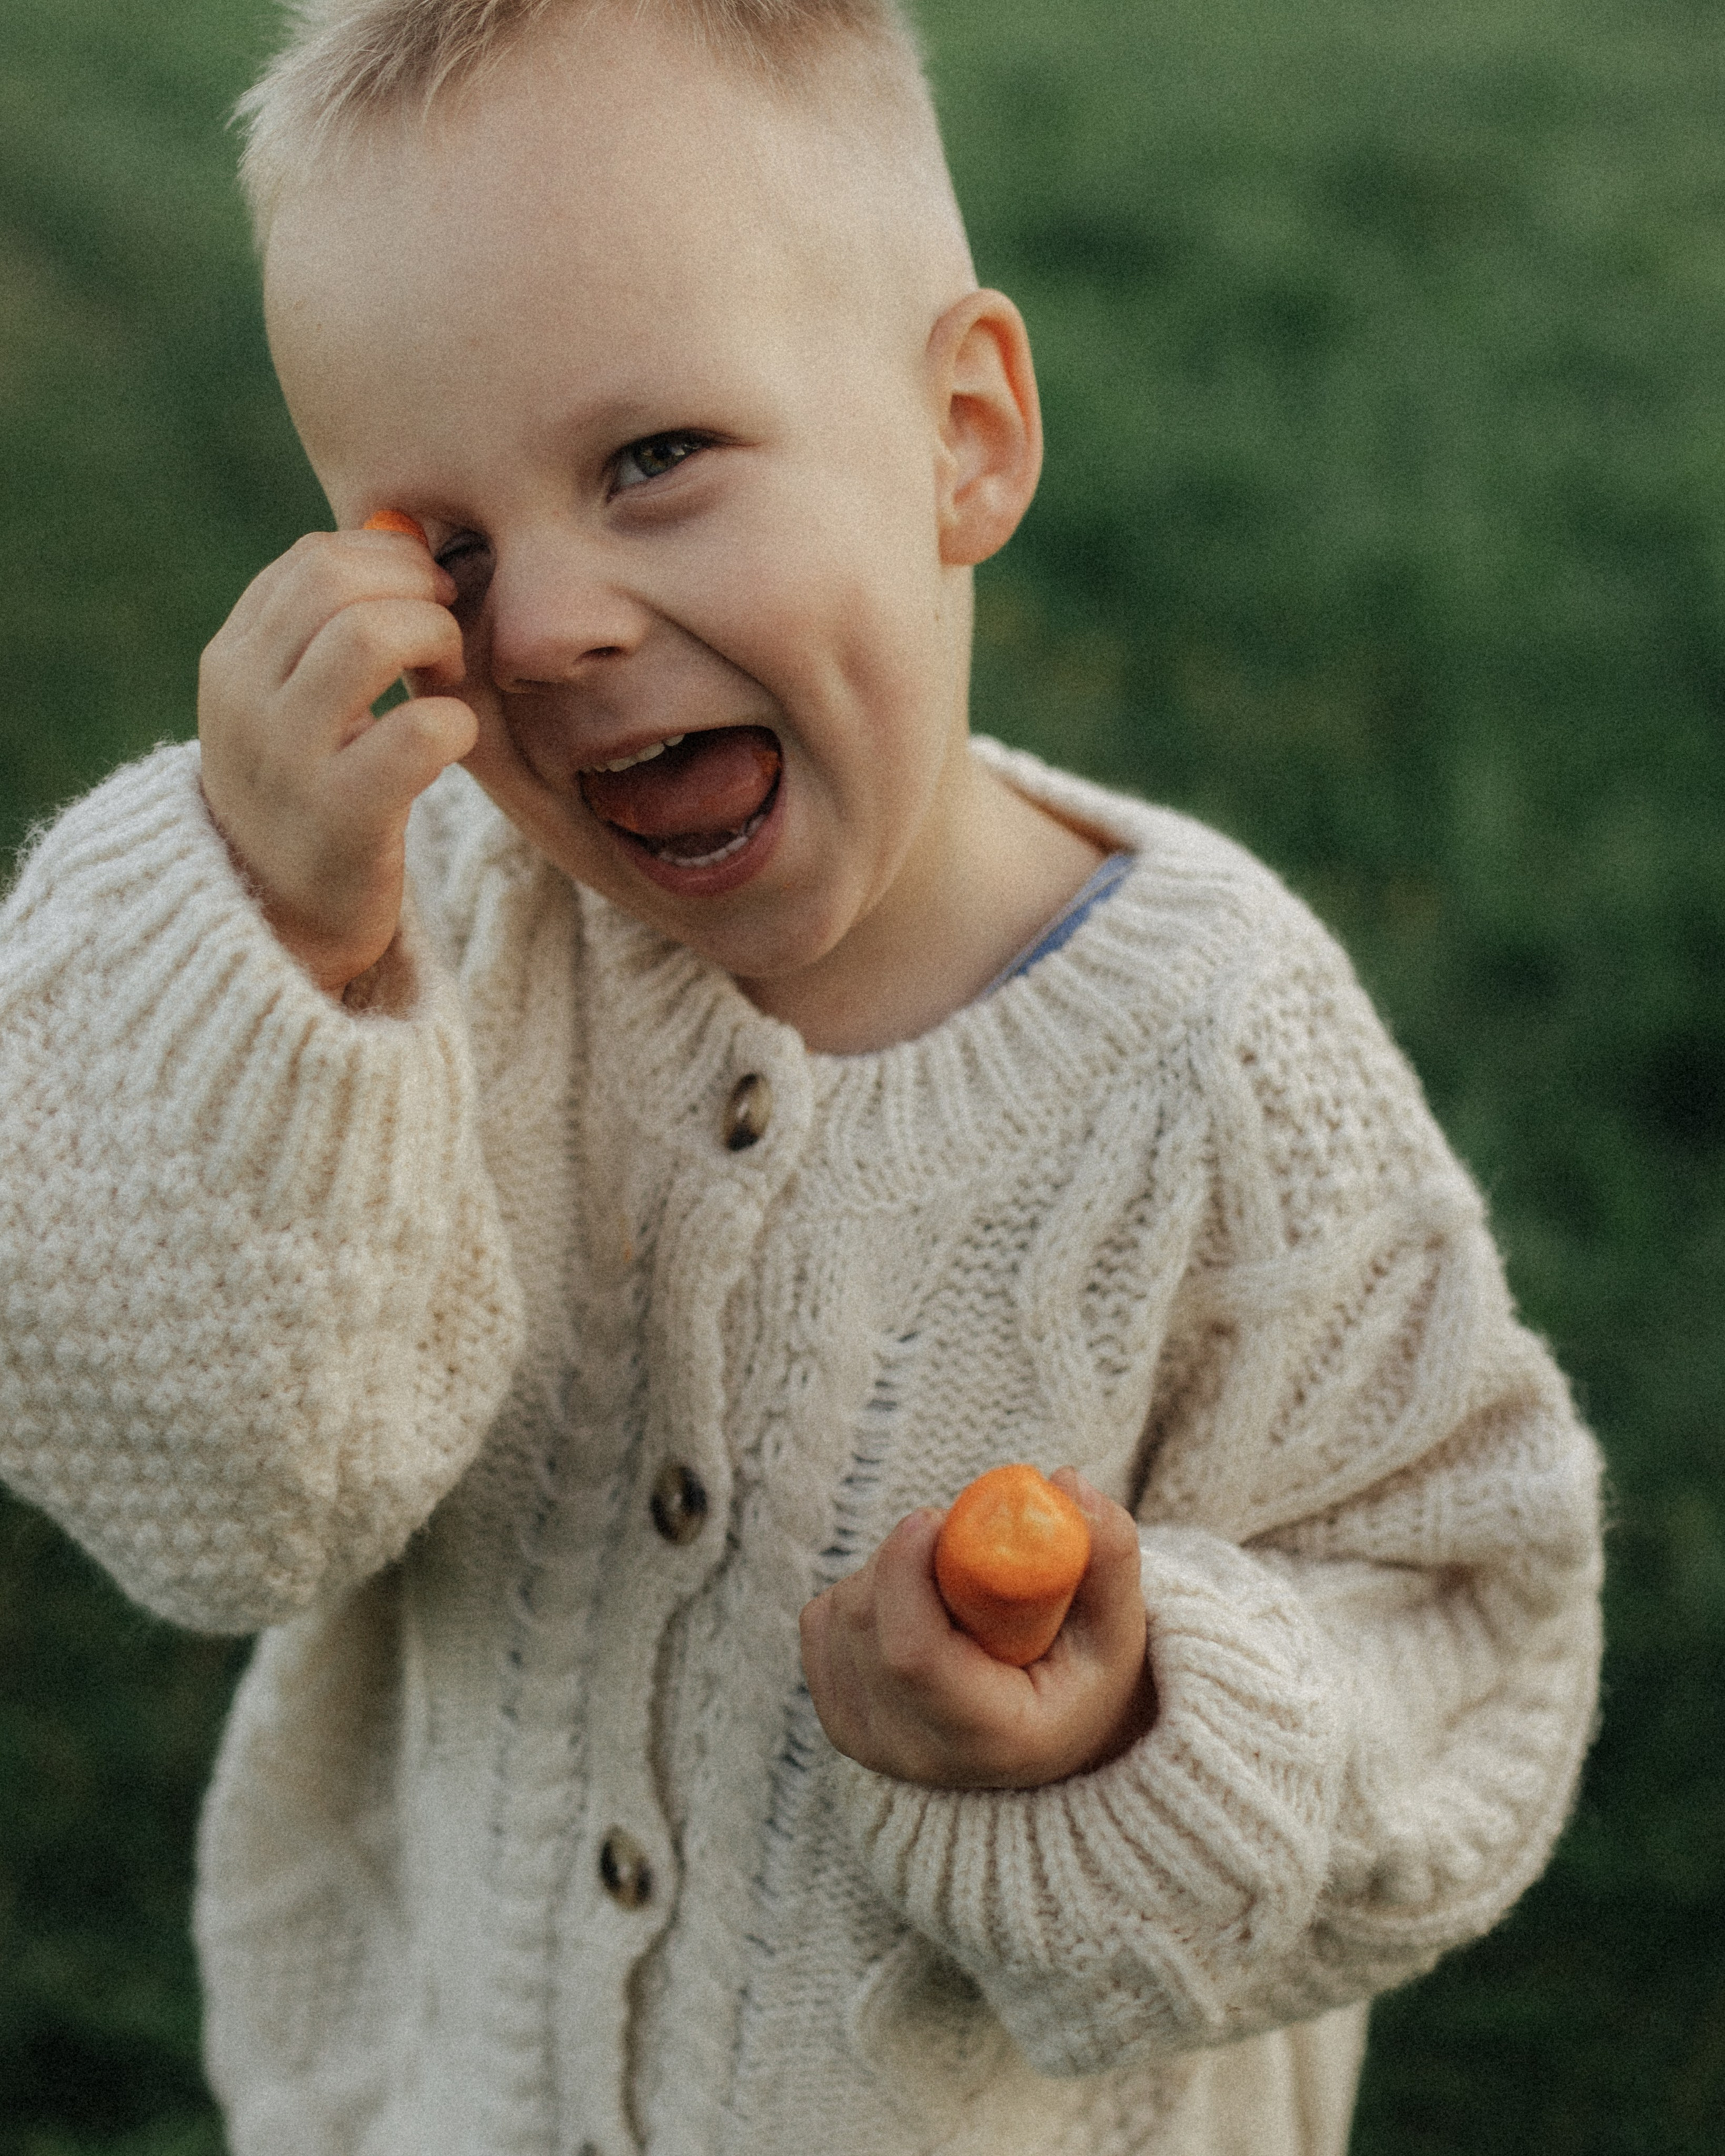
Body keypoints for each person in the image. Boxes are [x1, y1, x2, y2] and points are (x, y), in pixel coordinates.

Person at [0, 1, 1604, 2152]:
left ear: (965, 435)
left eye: (652, 461)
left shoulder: (1211, 1052)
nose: (550, 621)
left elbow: (1468, 1635)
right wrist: (272, 942)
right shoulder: (442, 937)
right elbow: (230, 1499)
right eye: (444, 550)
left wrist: (1129, 1731)